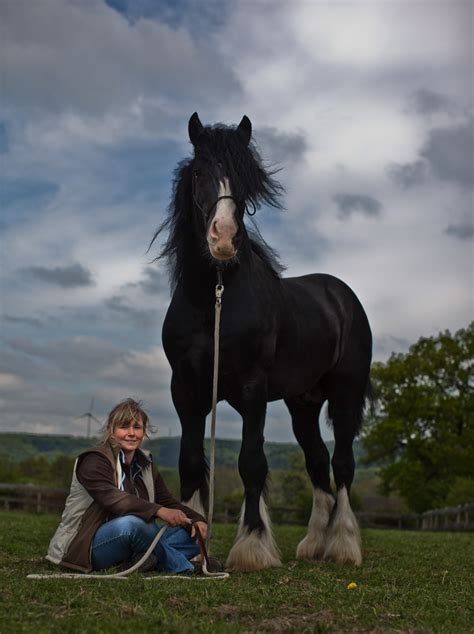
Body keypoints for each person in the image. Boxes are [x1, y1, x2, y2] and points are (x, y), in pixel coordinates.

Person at [46, 398, 207, 574]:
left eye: (137, 427)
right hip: (87, 545)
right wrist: (158, 511)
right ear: (111, 431)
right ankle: (184, 567)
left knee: (195, 532)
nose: (131, 433)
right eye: (124, 427)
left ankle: (139, 561)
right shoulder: (94, 460)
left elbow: (167, 501)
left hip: (134, 539)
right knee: (135, 524)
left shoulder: (146, 464)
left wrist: (197, 519)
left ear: (144, 432)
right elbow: (113, 499)